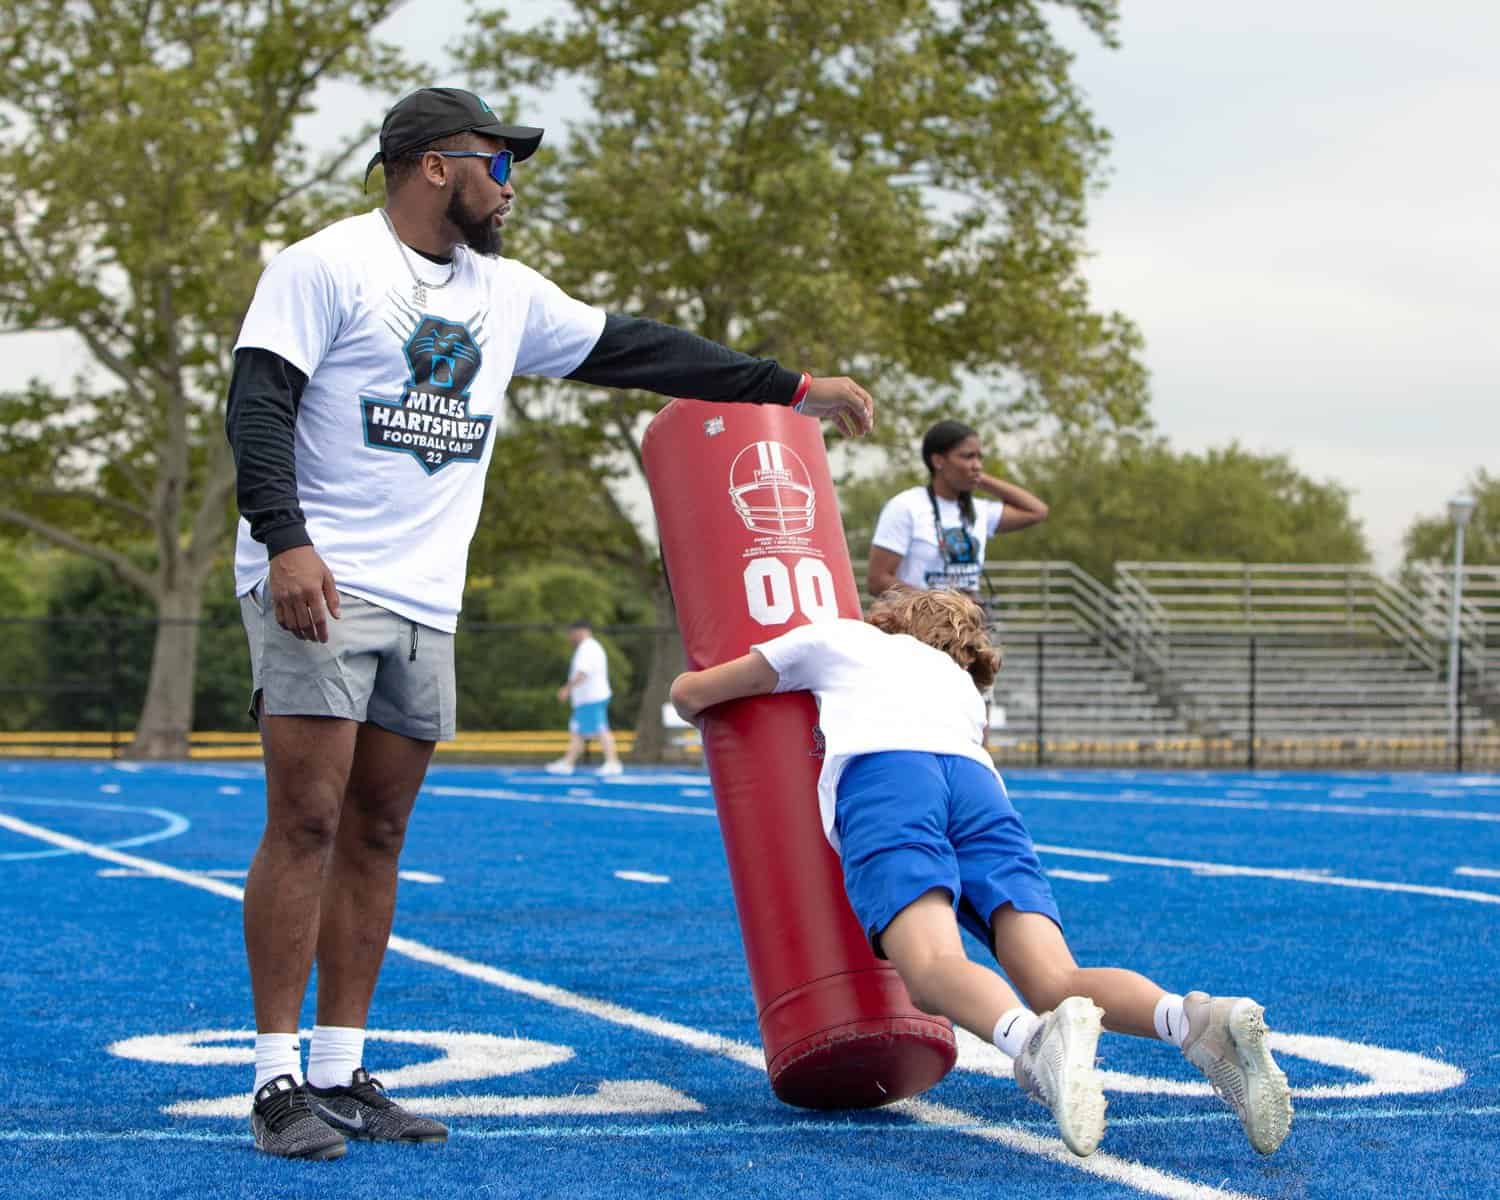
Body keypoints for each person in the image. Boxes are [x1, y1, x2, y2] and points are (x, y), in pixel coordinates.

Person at [224, 85, 875, 1160]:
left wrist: (790, 386)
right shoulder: (324, 263)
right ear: (437, 164)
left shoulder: (506, 294)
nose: (512, 186)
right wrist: (284, 539)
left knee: (379, 830)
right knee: (306, 819)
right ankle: (273, 1080)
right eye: (501, 163)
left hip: (429, 599)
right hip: (323, 579)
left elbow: (641, 350)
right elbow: (258, 403)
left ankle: (341, 1069)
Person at [668, 590, 1292, 1159]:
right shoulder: (964, 688)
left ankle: (1030, 1042)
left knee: (929, 968)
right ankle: (1195, 1020)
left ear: (894, 616)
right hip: (977, 785)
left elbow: (694, 693)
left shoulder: (842, 636)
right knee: (1056, 976)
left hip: (892, 778)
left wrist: (695, 695)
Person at [866, 420, 1049, 602]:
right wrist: (941, 605)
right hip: (916, 624)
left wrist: (981, 480)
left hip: (966, 626)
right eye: (968, 457)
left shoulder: (978, 510)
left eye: (979, 457)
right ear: (938, 461)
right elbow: (877, 581)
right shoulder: (905, 506)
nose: (977, 465)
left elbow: (1036, 511)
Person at [546, 619, 622, 776]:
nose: (570, 637)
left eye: (571, 633)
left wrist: (566, 689)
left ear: (579, 631)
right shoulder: (589, 647)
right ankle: (568, 762)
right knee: (578, 732)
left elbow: (582, 673)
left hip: (591, 697)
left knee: (600, 730)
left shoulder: (588, 648)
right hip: (588, 698)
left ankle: (613, 762)